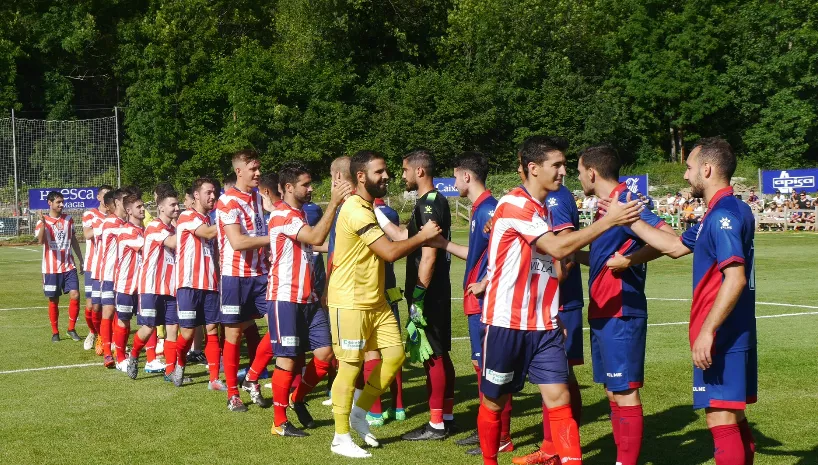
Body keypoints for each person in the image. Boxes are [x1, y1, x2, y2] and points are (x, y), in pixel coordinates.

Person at [474, 136, 644, 465]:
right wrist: (609, 220)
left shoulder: (541, 211)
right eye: (557, 165)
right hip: (505, 323)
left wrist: (551, 309)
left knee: (560, 399)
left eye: (565, 165)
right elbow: (556, 248)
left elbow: (551, 264)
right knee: (494, 401)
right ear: (533, 168)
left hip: (544, 327)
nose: (564, 171)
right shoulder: (515, 204)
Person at [608, 137, 757, 465]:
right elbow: (674, 246)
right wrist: (629, 223)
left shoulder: (722, 216)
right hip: (732, 330)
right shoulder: (725, 211)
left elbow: (735, 278)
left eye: (690, 168)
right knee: (733, 416)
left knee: (720, 418)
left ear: (707, 169)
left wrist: (707, 331)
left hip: (723, 333)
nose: (686, 175)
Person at [327, 150, 441, 459]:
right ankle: (340, 437)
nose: (387, 176)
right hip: (350, 302)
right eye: (379, 172)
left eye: (386, 170)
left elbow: (394, 240)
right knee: (350, 367)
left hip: (376, 301)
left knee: (394, 356)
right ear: (361, 176)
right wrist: (423, 236)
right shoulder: (355, 209)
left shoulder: (369, 207)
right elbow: (389, 252)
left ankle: (359, 413)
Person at [573, 145, 674, 465]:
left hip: (622, 311)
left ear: (592, 172)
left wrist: (630, 260)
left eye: (579, 171)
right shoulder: (606, 208)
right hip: (603, 310)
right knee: (613, 390)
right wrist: (565, 250)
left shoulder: (626, 201)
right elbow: (603, 259)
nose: (578, 177)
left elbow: (670, 239)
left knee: (625, 389)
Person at [425, 152, 512, 455]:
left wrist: (485, 282)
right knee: (481, 367)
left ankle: (501, 436)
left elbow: (507, 254)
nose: (453, 182)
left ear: (466, 176)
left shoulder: (489, 209)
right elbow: (477, 255)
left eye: (455, 176)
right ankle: (486, 428)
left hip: (485, 301)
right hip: (475, 299)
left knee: (491, 369)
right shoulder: (480, 209)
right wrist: (444, 244)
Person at [266, 162, 351, 436]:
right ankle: (279, 422)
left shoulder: (298, 214)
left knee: (325, 355)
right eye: (306, 184)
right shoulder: (282, 215)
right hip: (285, 298)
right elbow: (315, 236)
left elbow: (314, 242)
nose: (311, 188)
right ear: (289, 188)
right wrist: (334, 203)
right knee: (288, 360)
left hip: (308, 298)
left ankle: (297, 398)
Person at [397, 149, 456, 441]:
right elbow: (406, 237)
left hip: (429, 291)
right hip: (436, 289)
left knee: (431, 353)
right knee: (439, 353)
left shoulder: (429, 202)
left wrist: (419, 293)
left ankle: (436, 425)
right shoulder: (431, 201)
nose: (403, 176)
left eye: (405, 170)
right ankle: (446, 416)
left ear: (419, 171)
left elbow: (430, 253)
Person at [215, 149, 272, 411]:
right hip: (234, 276)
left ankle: (251, 377)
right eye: (253, 169)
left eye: (259, 168)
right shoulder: (227, 201)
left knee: (278, 327)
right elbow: (237, 242)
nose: (258, 173)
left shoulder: (259, 198)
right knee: (234, 335)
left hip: (260, 274)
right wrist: (274, 238)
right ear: (239, 171)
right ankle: (233, 393)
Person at [170, 178, 221, 388]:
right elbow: (207, 233)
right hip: (189, 284)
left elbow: (214, 251)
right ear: (197, 195)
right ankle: (179, 365)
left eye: (214, 192)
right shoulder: (187, 216)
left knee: (212, 329)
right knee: (188, 333)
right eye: (208, 192)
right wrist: (229, 218)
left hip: (210, 284)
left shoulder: (209, 220)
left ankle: (214, 379)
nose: (213, 196)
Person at [126, 186, 181, 379]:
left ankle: (170, 371)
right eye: (172, 205)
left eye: (177, 204)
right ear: (161, 208)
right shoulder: (154, 226)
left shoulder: (173, 229)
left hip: (170, 287)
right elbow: (173, 243)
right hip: (151, 287)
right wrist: (189, 226)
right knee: (148, 328)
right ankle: (133, 355)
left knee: (173, 327)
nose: (177, 208)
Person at [35, 191, 84, 342]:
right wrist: (43, 223)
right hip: (51, 268)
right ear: (50, 203)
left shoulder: (68, 219)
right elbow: (40, 241)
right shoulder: (42, 221)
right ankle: (55, 332)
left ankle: (71, 329)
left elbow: (73, 239)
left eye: (62, 202)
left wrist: (81, 259)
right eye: (58, 202)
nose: (62, 205)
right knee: (53, 300)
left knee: (75, 294)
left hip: (69, 266)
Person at [112, 192, 146, 372]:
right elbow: (147, 247)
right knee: (124, 321)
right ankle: (120, 358)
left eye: (143, 206)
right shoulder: (126, 231)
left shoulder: (144, 230)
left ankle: (151, 358)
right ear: (129, 211)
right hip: (126, 284)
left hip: (143, 285)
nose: (143, 209)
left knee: (148, 321)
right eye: (138, 207)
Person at [97, 189, 129, 368]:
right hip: (109, 274)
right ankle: (107, 353)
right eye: (125, 200)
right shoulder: (110, 222)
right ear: (117, 203)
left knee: (121, 313)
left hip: (123, 275)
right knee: (108, 311)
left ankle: (119, 349)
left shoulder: (125, 223)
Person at [80, 185, 112, 349]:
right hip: (92, 265)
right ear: (98, 197)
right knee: (92, 305)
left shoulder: (114, 215)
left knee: (108, 305)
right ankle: (92, 332)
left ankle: (104, 336)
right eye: (104, 195)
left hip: (109, 267)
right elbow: (87, 234)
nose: (106, 198)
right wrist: (105, 226)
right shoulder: (90, 214)